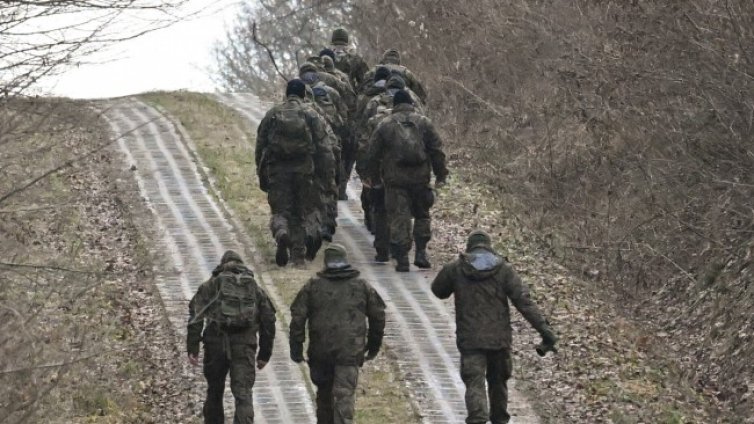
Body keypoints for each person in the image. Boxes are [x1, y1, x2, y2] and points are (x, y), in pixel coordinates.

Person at [431, 231, 558, 424]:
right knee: (498, 382)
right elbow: (524, 303)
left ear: (469, 248)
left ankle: (478, 419)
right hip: (499, 339)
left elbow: (438, 290)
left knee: (474, 382)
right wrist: (545, 331)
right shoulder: (504, 270)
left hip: (470, 338)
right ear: (489, 247)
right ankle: (499, 419)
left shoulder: (456, 268)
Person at [289, 243, 386, 424]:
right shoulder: (361, 286)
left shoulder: (313, 286)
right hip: (349, 351)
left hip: (320, 351)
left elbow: (297, 318)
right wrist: (373, 345)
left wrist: (296, 346)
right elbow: (378, 316)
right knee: (344, 397)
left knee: (324, 397)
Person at [187, 250, 277, 424]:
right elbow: (269, 320)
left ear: (222, 265)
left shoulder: (211, 285)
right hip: (244, 347)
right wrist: (265, 354)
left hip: (215, 345)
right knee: (243, 394)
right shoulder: (254, 289)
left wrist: (193, 347)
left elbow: (195, 315)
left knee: (214, 390)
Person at [366, 89, 449, 271]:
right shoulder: (424, 123)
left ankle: (402, 257)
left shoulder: (385, 124)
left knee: (399, 217)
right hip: (420, 178)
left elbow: (372, 154)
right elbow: (437, 151)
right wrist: (441, 175)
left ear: (394, 105)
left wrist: (374, 178)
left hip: (395, 180)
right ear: (411, 103)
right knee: (422, 215)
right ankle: (420, 252)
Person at [256, 79, 335, 266]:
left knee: (281, 211)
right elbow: (325, 148)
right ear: (303, 95)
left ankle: (282, 232)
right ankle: (298, 257)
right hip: (305, 171)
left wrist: (262, 173)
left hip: (277, 170)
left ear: (286, 93)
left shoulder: (273, 114)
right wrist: (327, 176)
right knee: (301, 212)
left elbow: (260, 146)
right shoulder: (311, 114)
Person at [329, 28, 370, 93]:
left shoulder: (325, 58)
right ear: (346, 43)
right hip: (348, 97)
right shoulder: (355, 59)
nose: (339, 48)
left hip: (329, 97)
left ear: (333, 43)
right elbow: (366, 80)